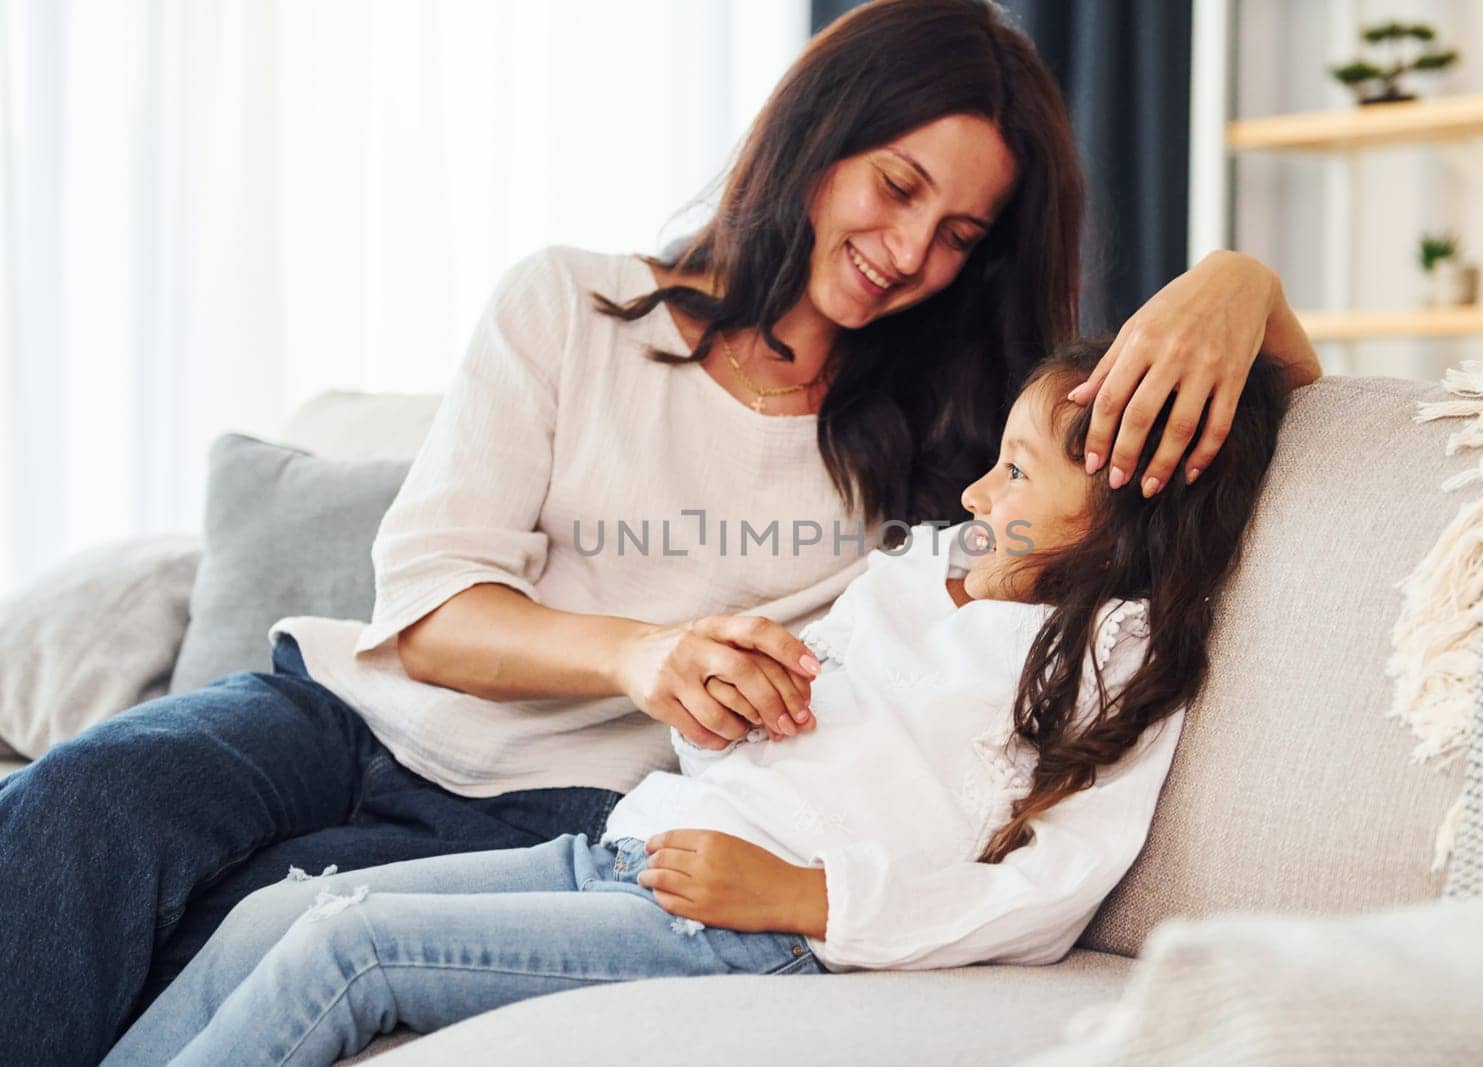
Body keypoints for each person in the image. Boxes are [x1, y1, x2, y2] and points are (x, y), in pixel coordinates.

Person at [0, 1, 1320, 1062]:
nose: (909, 247)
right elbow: (431, 599)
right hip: (345, 712)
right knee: (88, 796)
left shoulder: (962, 439)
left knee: (261, 913)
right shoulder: (569, 304)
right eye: (897, 184)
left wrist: (1240, 281)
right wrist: (641, 653)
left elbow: (1223, 431)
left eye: (958, 232)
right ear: (820, 137)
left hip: (570, 802)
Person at [106, 337, 1293, 1065]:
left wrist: (804, 895)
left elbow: (1040, 892)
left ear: (1131, 503)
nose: (982, 484)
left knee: (351, 948)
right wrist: (727, 691)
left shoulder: (1111, 658)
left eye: (1021, 470)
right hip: (631, 847)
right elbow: (800, 735)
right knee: (281, 911)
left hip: (744, 922)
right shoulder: (922, 569)